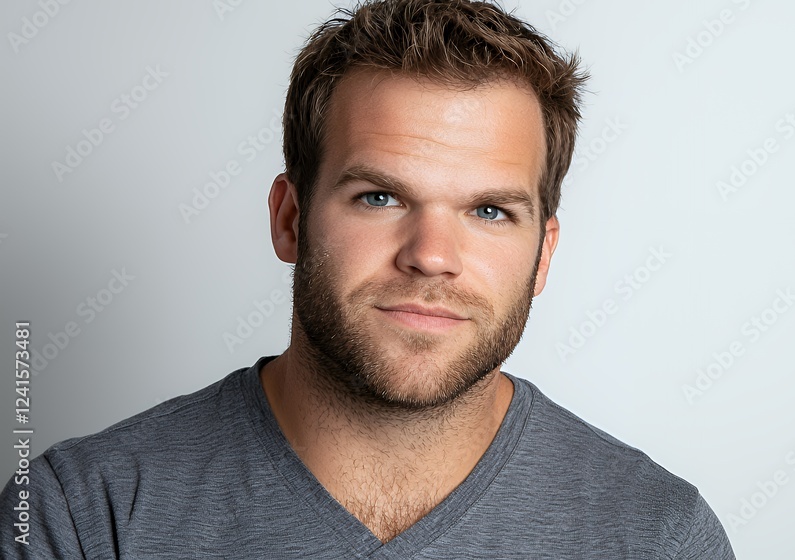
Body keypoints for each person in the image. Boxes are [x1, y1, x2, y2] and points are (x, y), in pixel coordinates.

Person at [1, 0, 736, 557]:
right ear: (290, 219)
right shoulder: (81, 518)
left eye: (489, 210)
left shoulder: (658, 536)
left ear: (542, 255)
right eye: (379, 197)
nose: (431, 254)